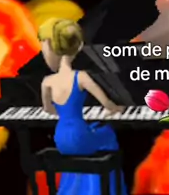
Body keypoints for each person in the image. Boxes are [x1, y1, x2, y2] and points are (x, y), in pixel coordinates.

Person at [38, 18, 126, 195]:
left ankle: (78, 189)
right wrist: (117, 109)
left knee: (92, 131)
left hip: (61, 139)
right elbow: (107, 104)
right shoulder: (81, 77)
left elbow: (48, 109)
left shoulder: (47, 81)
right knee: (108, 134)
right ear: (78, 47)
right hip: (79, 136)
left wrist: (65, 116)